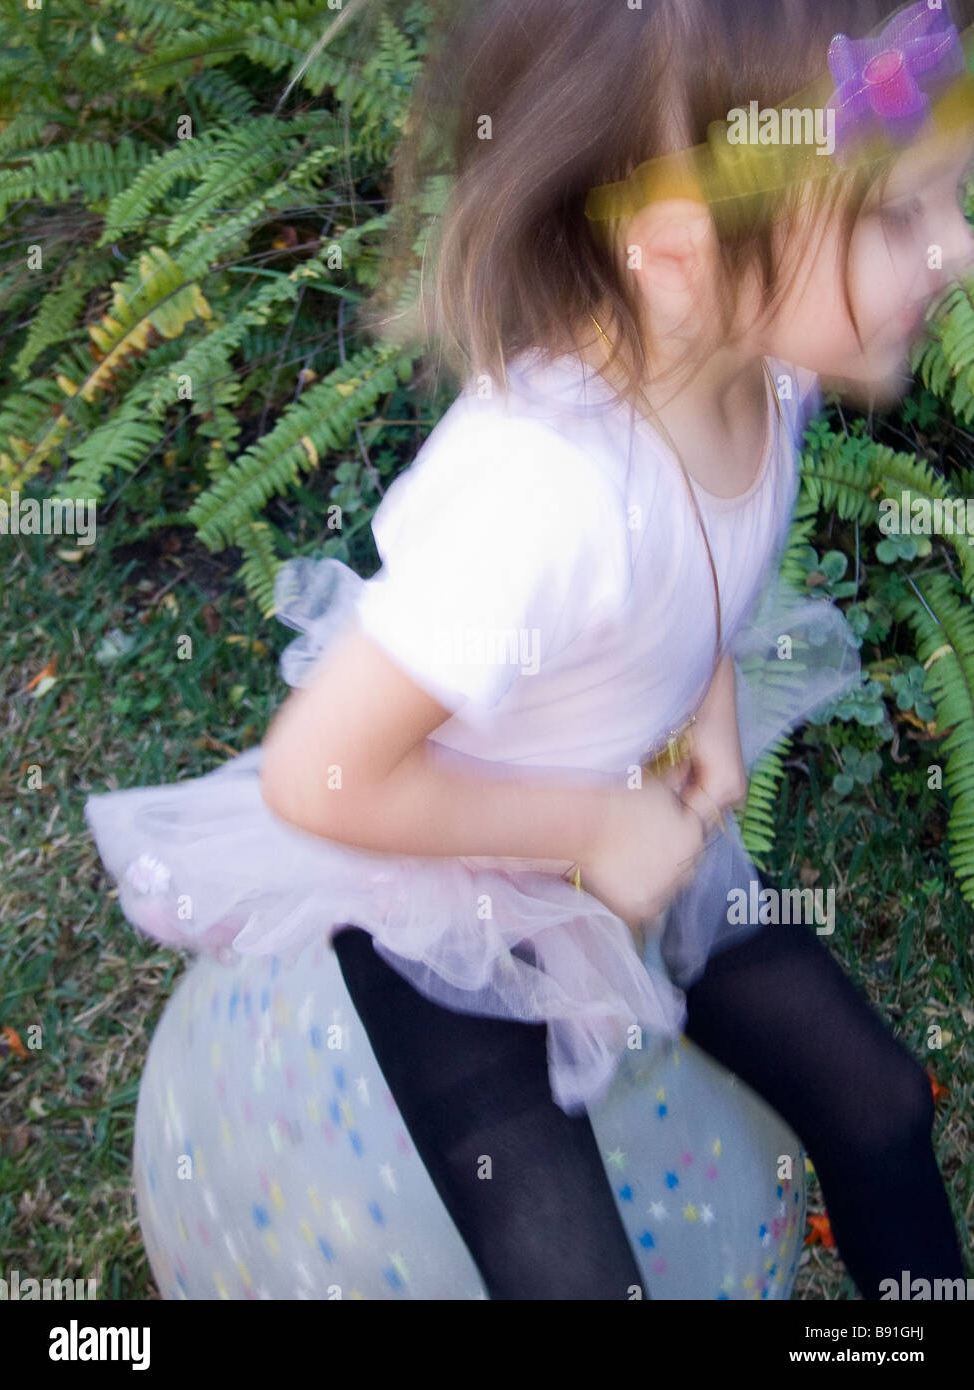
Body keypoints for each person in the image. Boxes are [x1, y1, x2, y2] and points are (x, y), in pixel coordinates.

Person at [86, 0, 974, 1298]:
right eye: (901, 213)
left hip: (632, 833)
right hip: (446, 910)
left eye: (952, 195)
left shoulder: (759, 375)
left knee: (883, 1102)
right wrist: (591, 832)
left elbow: (704, 575)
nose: (954, 248)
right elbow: (318, 776)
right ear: (678, 251)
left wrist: (709, 704)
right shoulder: (541, 493)